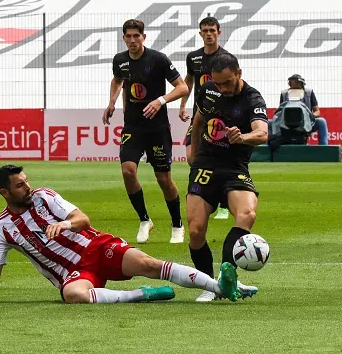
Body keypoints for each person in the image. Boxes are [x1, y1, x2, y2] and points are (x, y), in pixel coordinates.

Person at [0, 165, 255, 305]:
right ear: (5, 192)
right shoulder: (4, 229)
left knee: (150, 264)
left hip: (95, 247)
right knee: (72, 295)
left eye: (26, 181)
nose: (27, 187)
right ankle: (142, 296)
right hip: (72, 273)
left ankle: (222, 286)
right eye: (20, 186)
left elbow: (82, 218)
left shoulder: (44, 196)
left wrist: (65, 225)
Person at [187, 53, 269, 302]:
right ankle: (208, 284)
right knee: (196, 230)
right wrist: (192, 152)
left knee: (247, 214)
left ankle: (226, 278)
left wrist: (242, 137)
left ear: (239, 73)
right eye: (217, 83)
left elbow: (262, 133)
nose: (221, 88)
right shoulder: (208, 90)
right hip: (206, 164)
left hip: (235, 167)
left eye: (226, 83)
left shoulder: (253, 98)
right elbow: (198, 121)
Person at [102, 19, 189, 244]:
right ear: (123, 38)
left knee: (163, 179)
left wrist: (160, 101)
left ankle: (177, 224)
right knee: (128, 171)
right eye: (128, 37)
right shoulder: (120, 60)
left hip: (157, 128)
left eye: (136, 36)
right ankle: (144, 220)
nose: (132, 40)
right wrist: (112, 102)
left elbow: (183, 87)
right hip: (132, 127)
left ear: (143, 37)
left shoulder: (158, 59)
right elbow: (117, 79)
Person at [180, 16, 230, 220]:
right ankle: (207, 194)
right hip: (199, 116)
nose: (208, 34)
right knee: (192, 157)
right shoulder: (193, 58)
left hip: (220, 118)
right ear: (200, 33)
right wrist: (183, 105)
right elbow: (189, 81)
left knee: (223, 161)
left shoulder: (226, 58)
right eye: (205, 30)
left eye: (212, 30)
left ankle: (225, 204)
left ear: (219, 32)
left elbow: (234, 84)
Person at [281, 74, 328, 145]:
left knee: (321, 122)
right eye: (293, 81)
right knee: (268, 123)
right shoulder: (284, 94)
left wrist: (309, 116)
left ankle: (324, 148)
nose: (295, 83)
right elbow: (279, 111)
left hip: (306, 123)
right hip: (286, 123)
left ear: (302, 83)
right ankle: (264, 151)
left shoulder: (309, 93)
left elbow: (317, 111)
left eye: (297, 82)